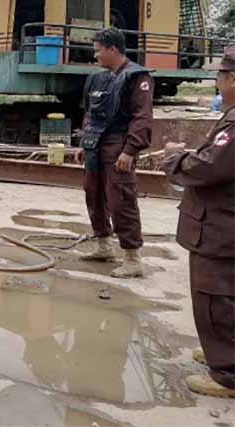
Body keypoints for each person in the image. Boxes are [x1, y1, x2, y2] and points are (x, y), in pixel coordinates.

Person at [162, 52, 235, 398]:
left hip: (221, 228)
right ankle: (222, 349)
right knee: (225, 295)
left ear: (232, 79)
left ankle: (227, 372)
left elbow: (208, 167)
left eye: (219, 77)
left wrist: (174, 158)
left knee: (214, 296)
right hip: (223, 225)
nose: (217, 84)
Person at [74, 27, 153, 278]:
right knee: (93, 194)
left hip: (118, 145)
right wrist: (83, 144)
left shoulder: (136, 77)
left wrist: (130, 150)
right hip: (95, 146)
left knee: (121, 199)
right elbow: (90, 114)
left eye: (98, 51)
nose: (95, 56)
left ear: (113, 49)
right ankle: (103, 246)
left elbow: (142, 118)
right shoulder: (96, 79)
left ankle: (132, 258)